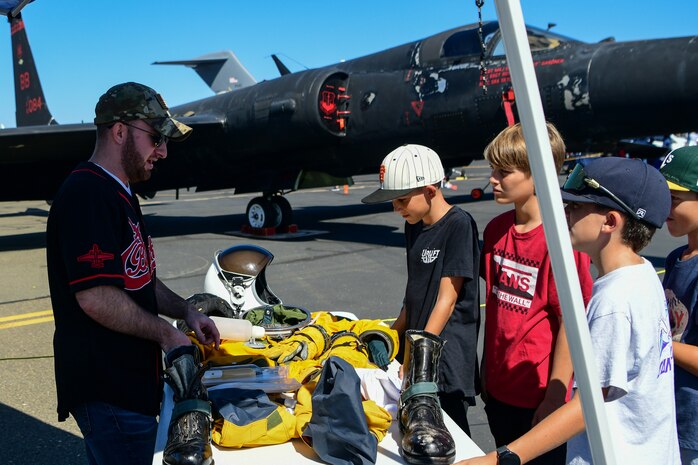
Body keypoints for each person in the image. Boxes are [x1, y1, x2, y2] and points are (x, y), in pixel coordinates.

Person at [458, 156, 679, 465]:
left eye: (576, 207)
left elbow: (588, 405)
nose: (565, 214)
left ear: (610, 222)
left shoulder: (614, 301)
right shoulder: (641, 274)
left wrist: (499, 459)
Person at [46, 82, 221, 465]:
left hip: (128, 386)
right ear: (120, 131)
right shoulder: (87, 194)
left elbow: (137, 277)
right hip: (107, 390)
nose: (163, 150)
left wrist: (186, 312)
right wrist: (167, 335)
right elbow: (96, 296)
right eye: (156, 137)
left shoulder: (120, 191)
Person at [480, 123, 593, 465]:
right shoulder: (496, 230)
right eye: (492, 169)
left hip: (539, 397)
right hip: (498, 390)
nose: (493, 179)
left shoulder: (561, 242)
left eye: (504, 171)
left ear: (538, 174)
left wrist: (556, 395)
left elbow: (572, 325)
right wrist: (487, 373)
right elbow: (497, 310)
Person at [361, 143, 480, 435]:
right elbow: (414, 290)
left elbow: (447, 300)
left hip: (444, 359)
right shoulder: (414, 224)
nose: (396, 208)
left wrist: (417, 356)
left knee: (451, 433)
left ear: (429, 190)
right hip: (416, 350)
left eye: (401, 200)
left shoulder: (458, 225)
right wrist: (393, 332)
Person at [660, 146, 698, 465]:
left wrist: (655, 342)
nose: (665, 206)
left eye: (675, 198)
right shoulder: (676, 259)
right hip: (670, 417)